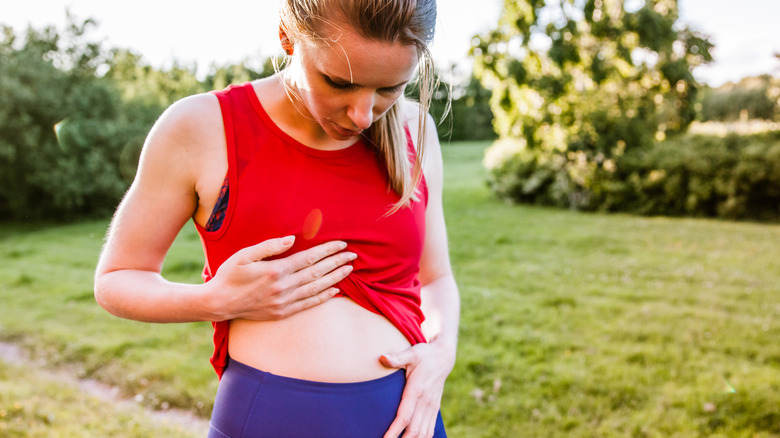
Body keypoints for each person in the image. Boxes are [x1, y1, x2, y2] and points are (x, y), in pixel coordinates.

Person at [94, 0, 459, 436]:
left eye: (389, 89)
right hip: (270, 417)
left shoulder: (416, 130)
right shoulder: (202, 127)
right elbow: (117, 277)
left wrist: (442, 353)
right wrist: (216, 299)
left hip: (405, 419)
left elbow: (435, 279)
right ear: (288, 36)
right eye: (339, 82)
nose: (362, 114)